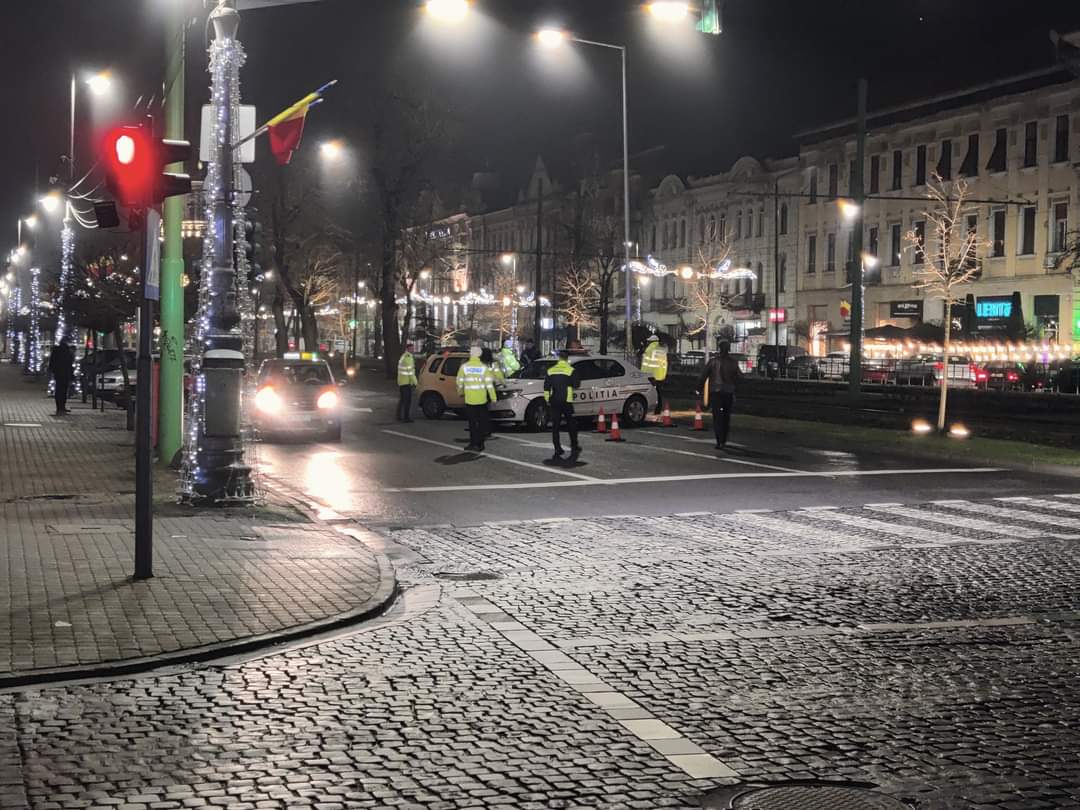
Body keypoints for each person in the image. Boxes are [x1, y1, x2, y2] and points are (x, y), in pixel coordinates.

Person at [697, 340, 743, 449]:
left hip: (716, 391)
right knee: (726, 416)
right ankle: (724, 440)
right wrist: (736, 388)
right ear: (729, 349)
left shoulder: (713, 361)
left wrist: (698, 388)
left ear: (719, 349)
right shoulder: (733, 362)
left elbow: (704, 375)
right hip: (728, 391)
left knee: (717, 417)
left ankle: (719, 440)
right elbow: (739, 377)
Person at [456, 345, 496, 452]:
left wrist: (460, 392)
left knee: (472, 423)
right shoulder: (483, 368)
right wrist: (493, 397)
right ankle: (480, 444)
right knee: (481, 422)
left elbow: (459, 382)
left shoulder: (464, 367)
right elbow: (489, 384)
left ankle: (473, 443)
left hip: (470, 400)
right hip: (482, 400)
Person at [544, 349, 581, 462]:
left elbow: (546, 388)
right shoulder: (571, 370)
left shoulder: (550, 370)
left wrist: (547, 400)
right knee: (571, 424)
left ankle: (557, 448)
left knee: (555, 426)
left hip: (554, 401)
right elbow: (576, 385)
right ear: (567, 359)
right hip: (566, 401)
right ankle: (574, 445)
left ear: (559, 358)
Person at [640, 334, 669, 415]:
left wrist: (643, 375)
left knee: (648, 393)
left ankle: (649, 409)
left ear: (651, 342)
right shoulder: (662, 350)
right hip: (661, 375)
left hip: (651, 376)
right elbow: (664, 364)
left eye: (648, 341)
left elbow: (645, 364)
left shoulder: (649, 349)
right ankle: (658, 410)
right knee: (658, 394)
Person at [48, 337, 75, 416]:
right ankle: (61, 407)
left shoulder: (57, 350)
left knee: (59, 390)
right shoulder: (67, 351)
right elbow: (69, 364)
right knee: (63, 391)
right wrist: (71, 374)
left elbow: (52, 362)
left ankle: (60, 407)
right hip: (65, 373)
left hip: (59, 373)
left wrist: (53, 371)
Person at [396, 342, 417, 422]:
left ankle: (399, 416)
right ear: (408, 349)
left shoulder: (403, 356)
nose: (413, 350)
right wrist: (415, 382)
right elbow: (410, 372)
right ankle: (406, 417)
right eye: (412, 348)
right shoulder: (408, 357)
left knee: (402, 400)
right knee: (407, 401)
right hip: (406, 382)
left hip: (402, 381)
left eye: (413, 348)